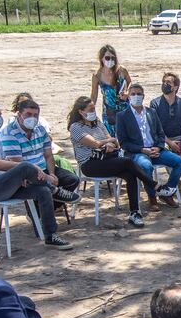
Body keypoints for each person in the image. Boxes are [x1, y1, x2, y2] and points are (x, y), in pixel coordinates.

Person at [0, 100, 76, 251]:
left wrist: (18, 177)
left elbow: (5, 163)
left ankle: (50, 235)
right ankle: (55, 190)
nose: (0, 118)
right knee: (26, 166)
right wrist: (28, 169)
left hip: (2, 182)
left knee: (42, 191)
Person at [68, 96, 162, 227]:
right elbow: (95, 144)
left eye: (94, 108)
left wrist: (108, 144)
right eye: (90, 109)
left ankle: (134, 212)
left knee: (130, 175)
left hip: (107, 158)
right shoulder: (76, 127)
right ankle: (153, 185)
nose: (93, 112)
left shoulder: (97, 122)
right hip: (90, 163)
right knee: (127, 163)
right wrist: (107, 143)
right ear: (81, 111)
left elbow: (113, 140)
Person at [115, 83, 181, 210]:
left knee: (179, 162)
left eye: (139, 94)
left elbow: (160, 134)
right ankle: (152, 198)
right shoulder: (122, 116)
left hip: (155, 150)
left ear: (143, 96)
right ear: (128, 97)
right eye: (133, 94)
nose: (136, 96)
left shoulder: (151, 112)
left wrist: (158, 147)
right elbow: (124, 143)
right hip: (138, 152)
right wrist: (142, 150)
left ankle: (167, 192)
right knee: (146, 166)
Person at [0, 98, 81, 195]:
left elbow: (49, 156)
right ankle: (46, 204)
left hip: (44, 168)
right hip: (26, 173)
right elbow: (19, 164)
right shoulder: (9, 133)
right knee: (43, 188)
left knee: (72, 179)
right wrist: (47, 178)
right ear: (19, 115)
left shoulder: (40, 130)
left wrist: (52, 174)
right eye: (28, 114)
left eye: (35, 115)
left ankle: (54, 205)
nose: (32, 118)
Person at [150, 72, 181, 193]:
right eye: (164, 82)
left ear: (176, 87)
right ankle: (176, 180)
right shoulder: (155, 103)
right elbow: (155, 128)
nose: (165, 85)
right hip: (163, 138)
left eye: (168, 83)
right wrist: (169, 142)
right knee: (165, 150)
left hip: (180, 137)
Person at [89, 44, 131, 135]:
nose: (110, 61)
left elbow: (130, 82)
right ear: (101, 58)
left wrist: (127, 92)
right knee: (111, 135)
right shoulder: (97, 75)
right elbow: (94, 95)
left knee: (127, 133)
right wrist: (90, 109)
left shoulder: (121, 70)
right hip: (109, 110)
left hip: (124, 107)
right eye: (107, 58)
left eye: (113, 58)